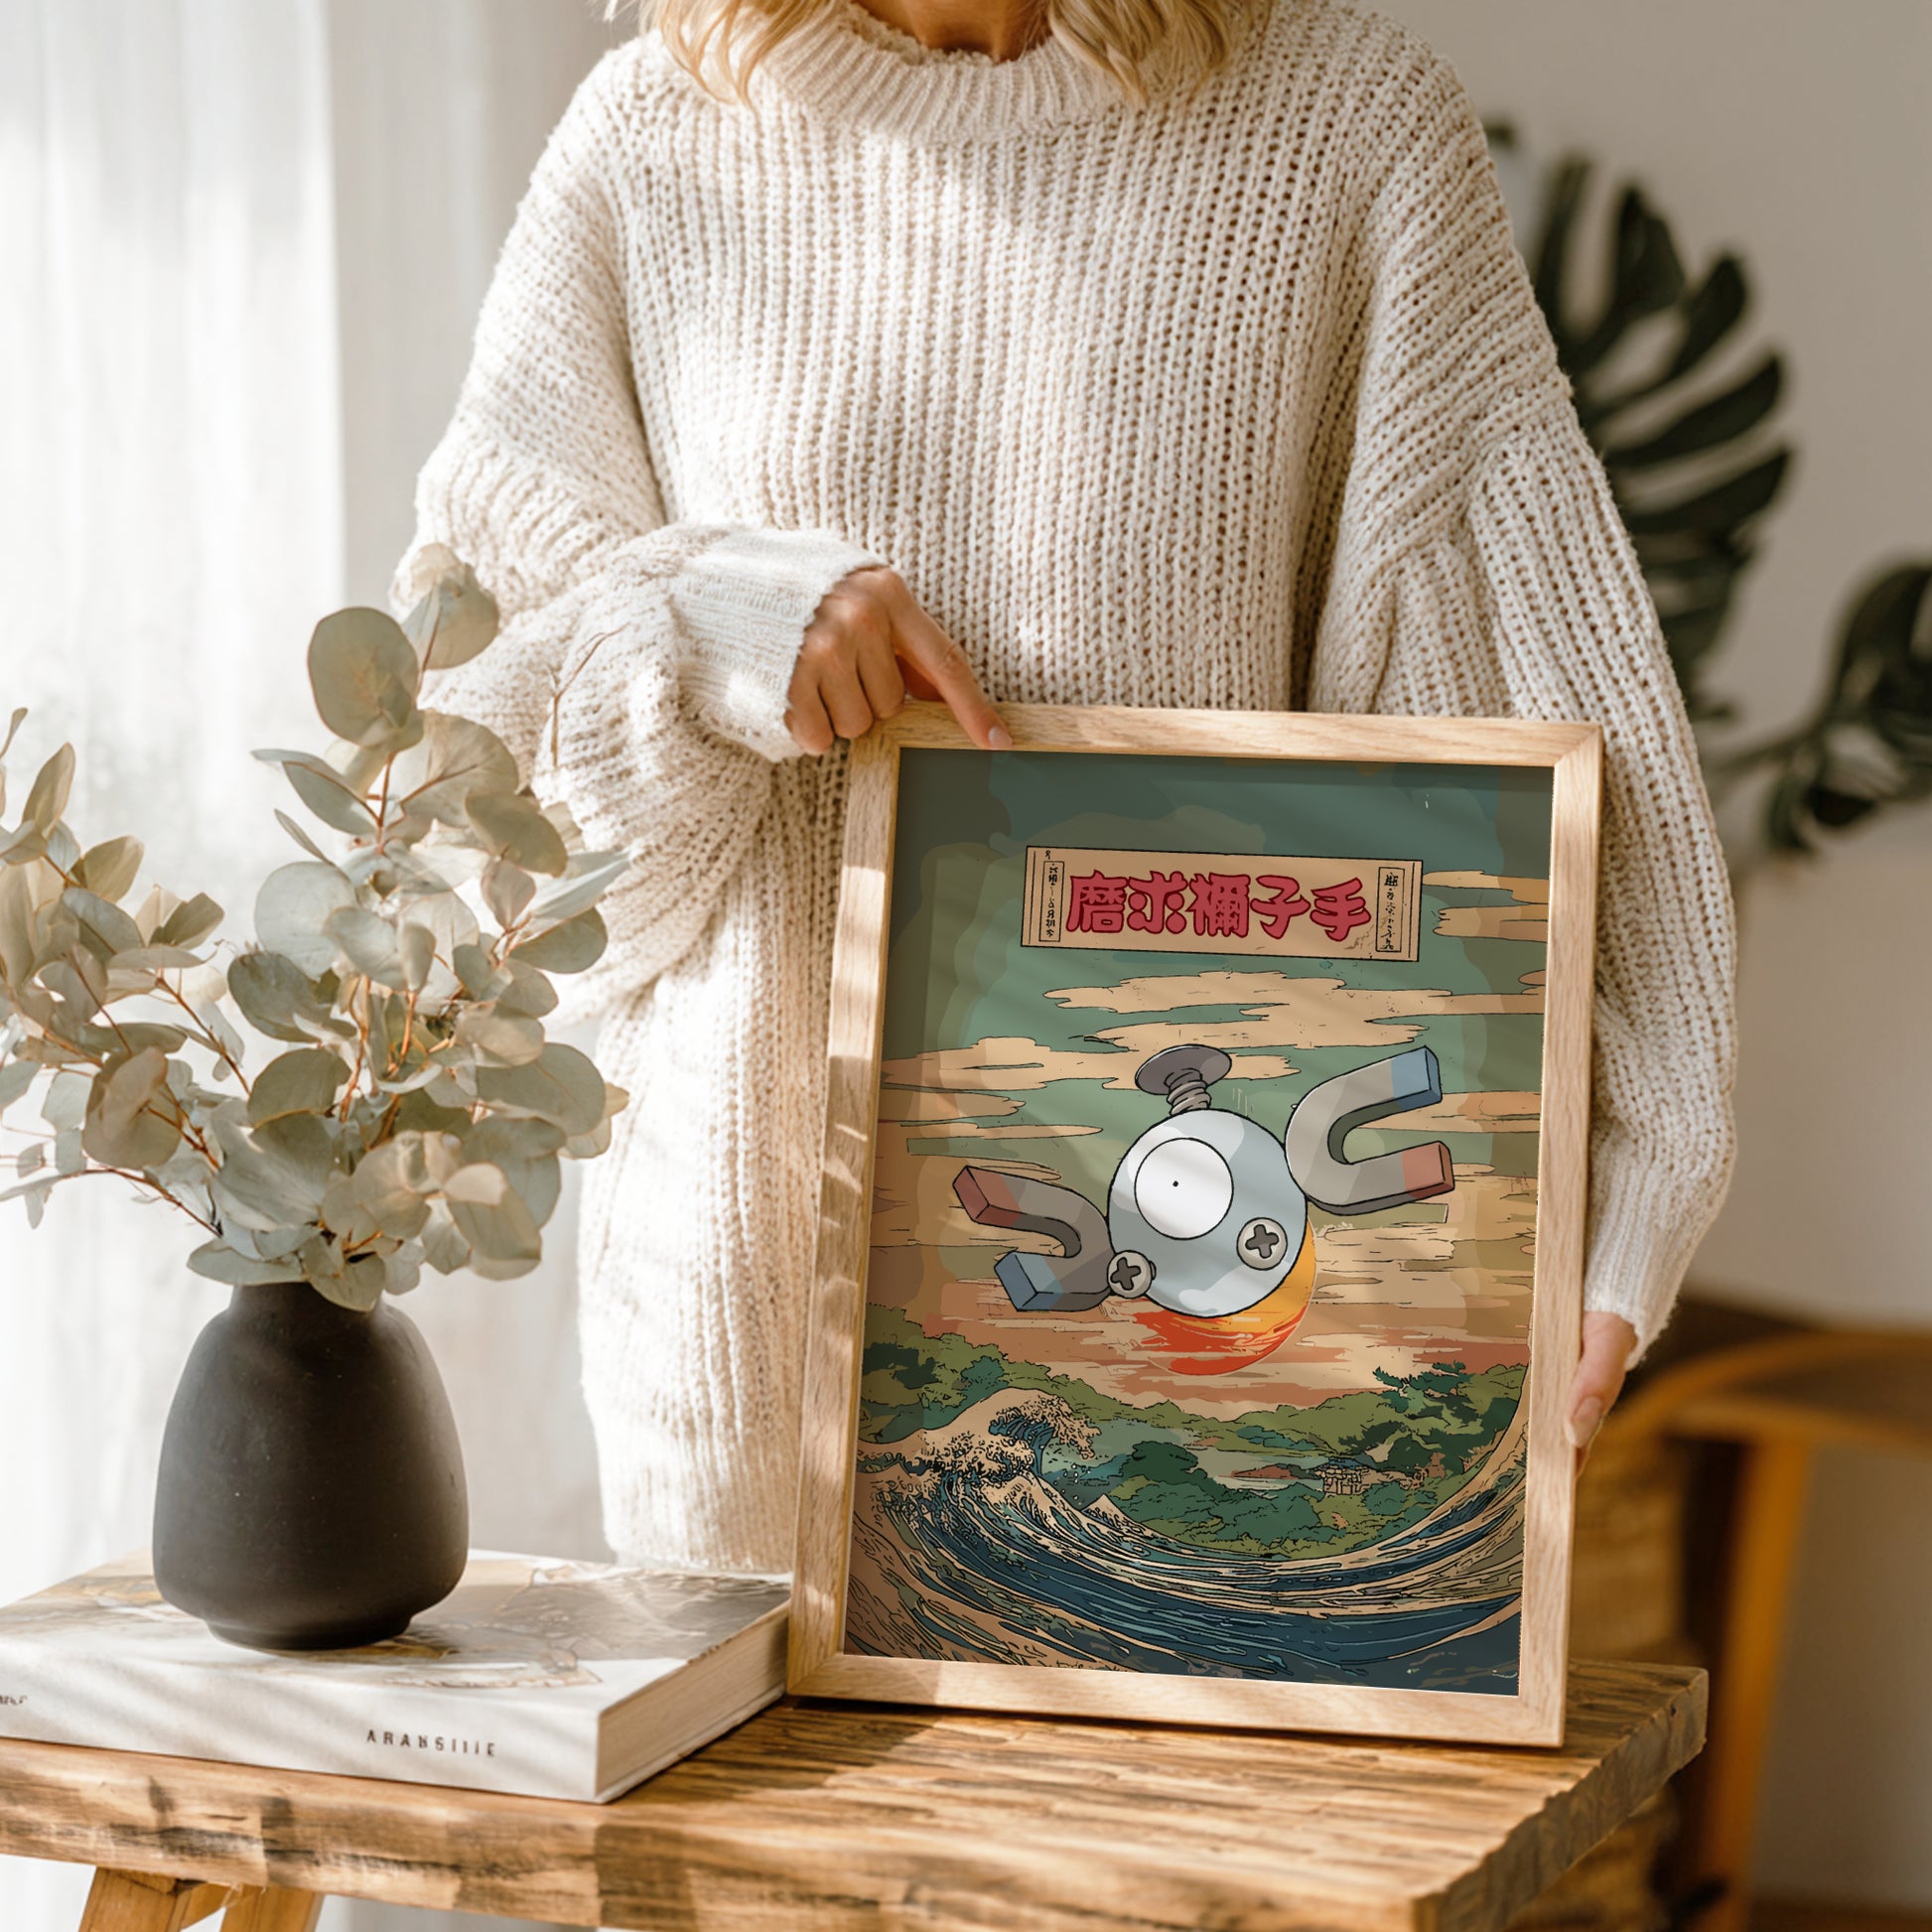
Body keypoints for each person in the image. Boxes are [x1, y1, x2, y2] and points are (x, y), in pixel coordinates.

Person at [395, 0, 1735, 1576]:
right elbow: (465, 820)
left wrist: (1629, 1171)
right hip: (740, 1336)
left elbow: (1521, 694)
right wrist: (706, 620)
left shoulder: (1343, 127)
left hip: (1207, 1367)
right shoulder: (649, 140)